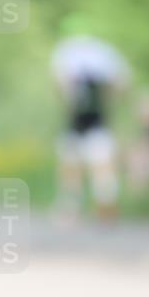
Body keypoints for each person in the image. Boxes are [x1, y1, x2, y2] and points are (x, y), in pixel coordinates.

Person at [50, 13, 130, 220]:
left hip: (77, 117)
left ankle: (71, 207)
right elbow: (121, 82)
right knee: (102, 163)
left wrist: (69, 103)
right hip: (99, 116)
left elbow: (62, 84)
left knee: (71, 165)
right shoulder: (104, 51)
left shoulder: (65, 52)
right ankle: (106, 204)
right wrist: (110, 103)